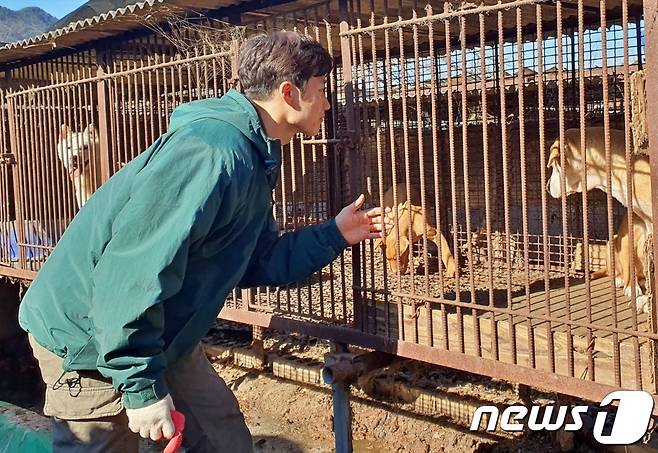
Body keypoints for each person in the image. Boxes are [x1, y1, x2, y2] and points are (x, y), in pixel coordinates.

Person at [18, 31, 389, 452]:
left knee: (220, 437)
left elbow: (255, 260)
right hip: (90, 337)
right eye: (321, 91)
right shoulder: (212, 152)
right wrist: (140, 387)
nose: (327, 104)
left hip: (161, 328)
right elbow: (131, 273)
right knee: (104, 442)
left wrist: (333, 234)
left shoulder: (255, 154)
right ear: (289, 93)